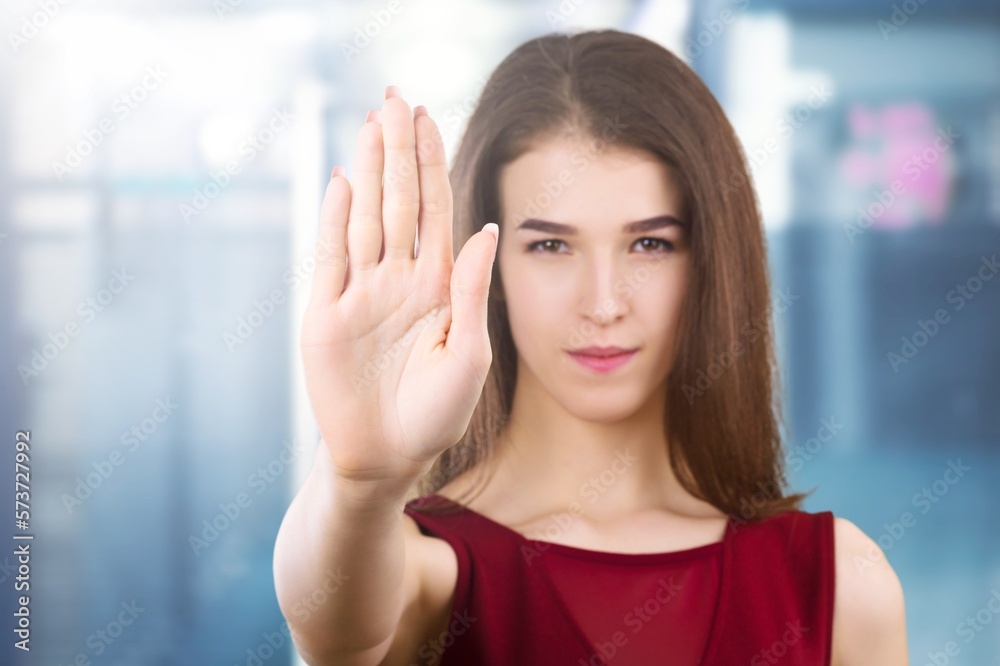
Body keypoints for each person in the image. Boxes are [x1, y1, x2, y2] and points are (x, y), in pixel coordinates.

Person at [273, 29, 909, 665]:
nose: (604, 303)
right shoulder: (429, 572)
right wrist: (360, 479)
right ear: (490, 271)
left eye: (650, 244)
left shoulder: (838, 584)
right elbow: (335, 630)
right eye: (551, 246)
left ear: (712, 261)